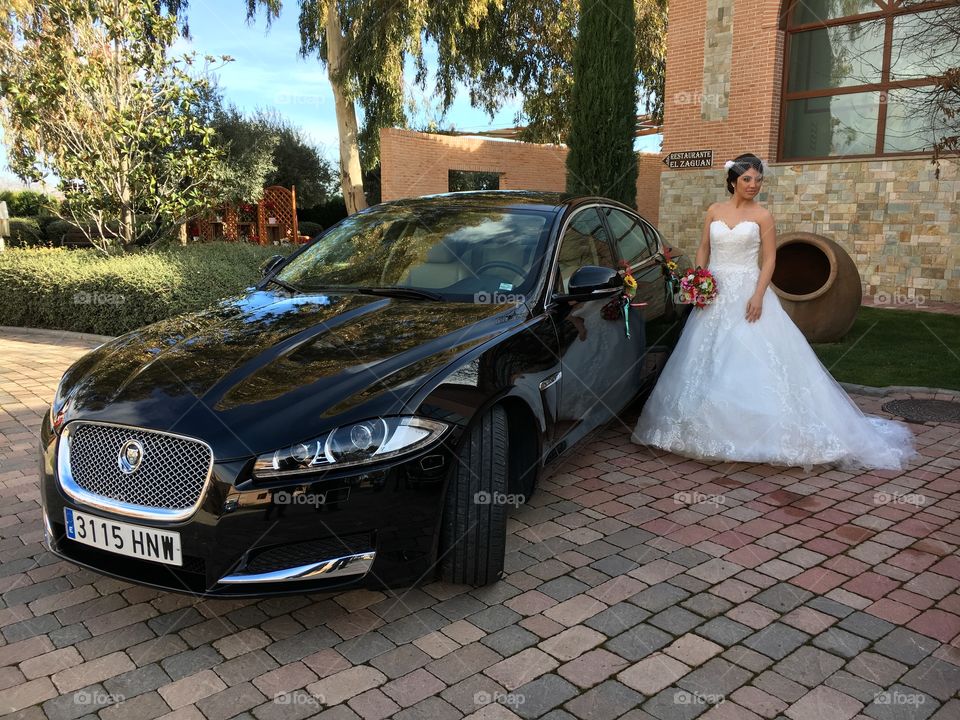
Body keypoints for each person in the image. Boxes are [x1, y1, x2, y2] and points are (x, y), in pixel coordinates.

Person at [631, 153, 916, 471]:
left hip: (748, 290)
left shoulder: (763, 216)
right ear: (733, 181)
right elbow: (703, 248)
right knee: (705, 354)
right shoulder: (713, 211)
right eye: (747, 179)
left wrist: (757, 296)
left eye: (758, 179)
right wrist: (699, 277)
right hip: (714, 290)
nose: (754, 185)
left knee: (748, 354)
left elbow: (769, 260)